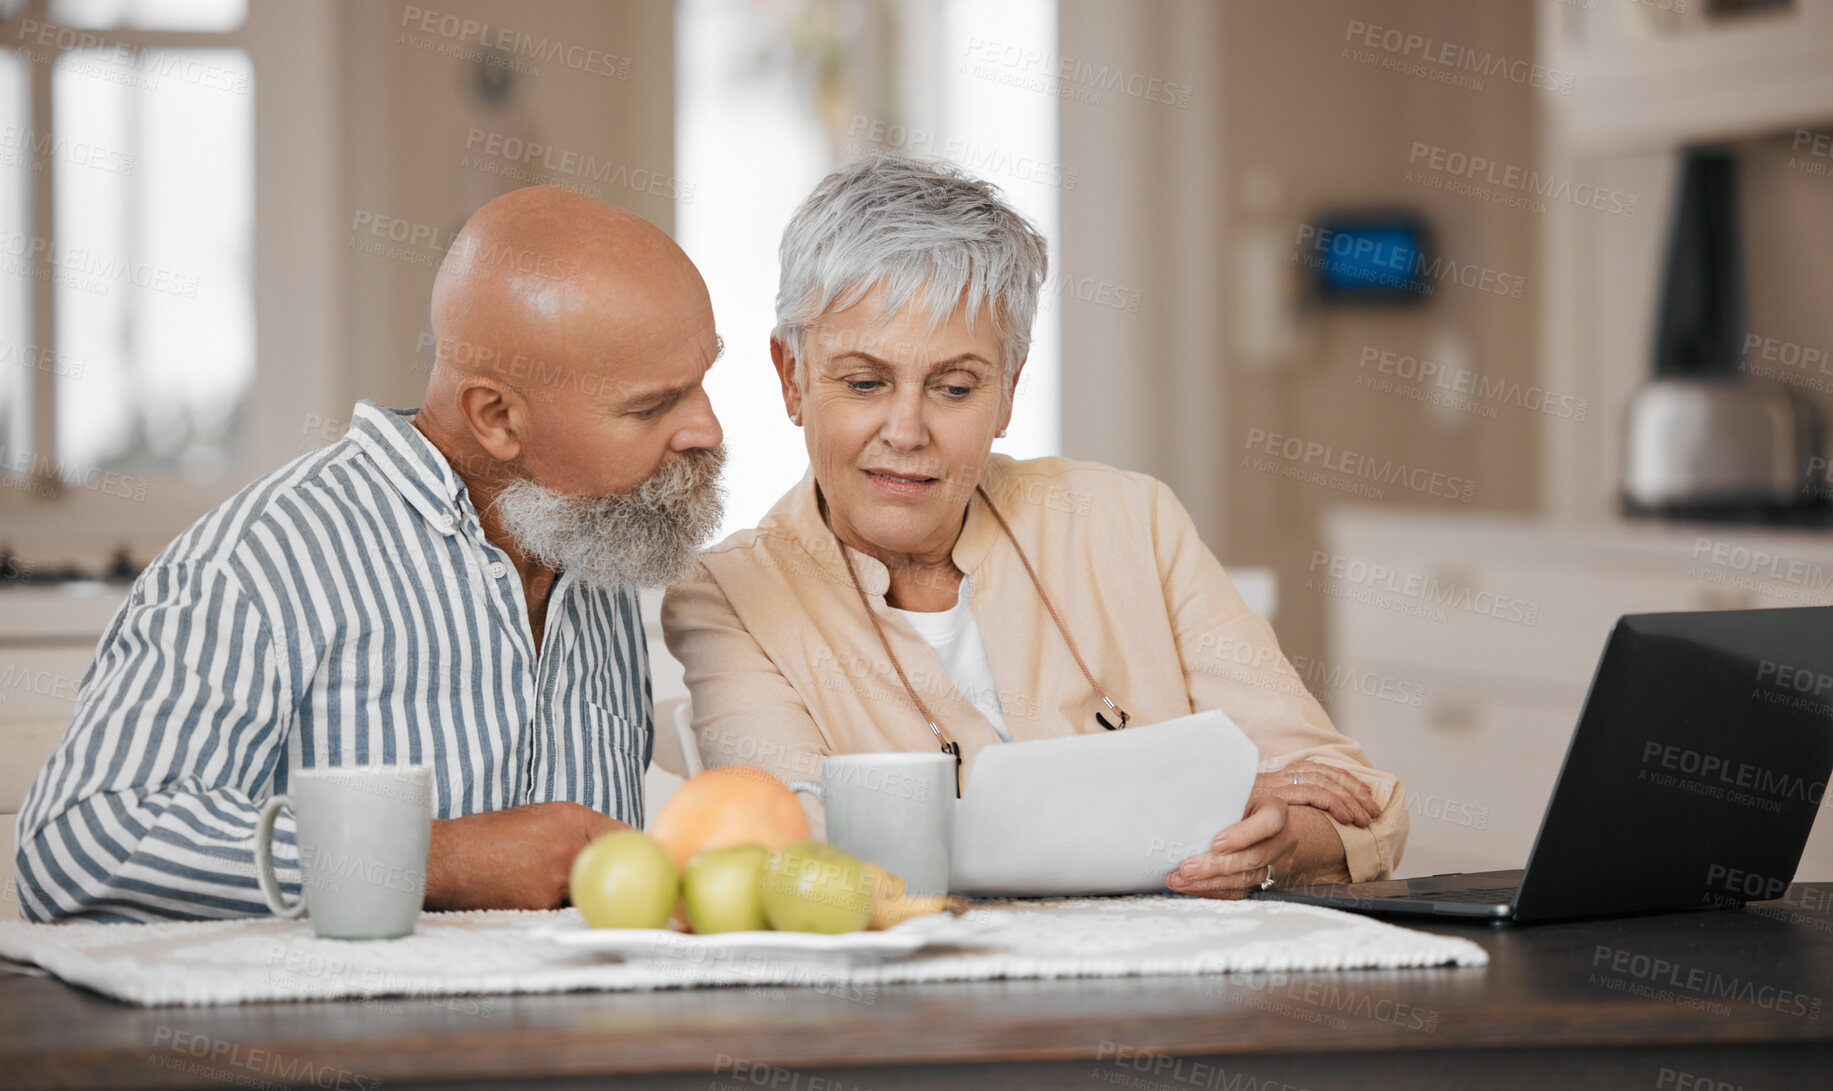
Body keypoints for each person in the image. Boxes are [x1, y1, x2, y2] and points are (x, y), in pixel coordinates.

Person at [663, 156, 1406, 897]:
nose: (906, 428)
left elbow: (1356, 799)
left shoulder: (1128, 520)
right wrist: (1179, 803)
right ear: (791, 377)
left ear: (1008, 392)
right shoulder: (729, 594)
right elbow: (795, 841)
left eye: (955, 387)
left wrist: (1275, 840)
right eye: (864, 383)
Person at [16, 186, 726, 922]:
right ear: (497, 417)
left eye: (702, 379)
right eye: (652, 405)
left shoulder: (596, 535)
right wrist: (437, 858)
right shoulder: (260, 561)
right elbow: (78, 845)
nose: (706, 426)